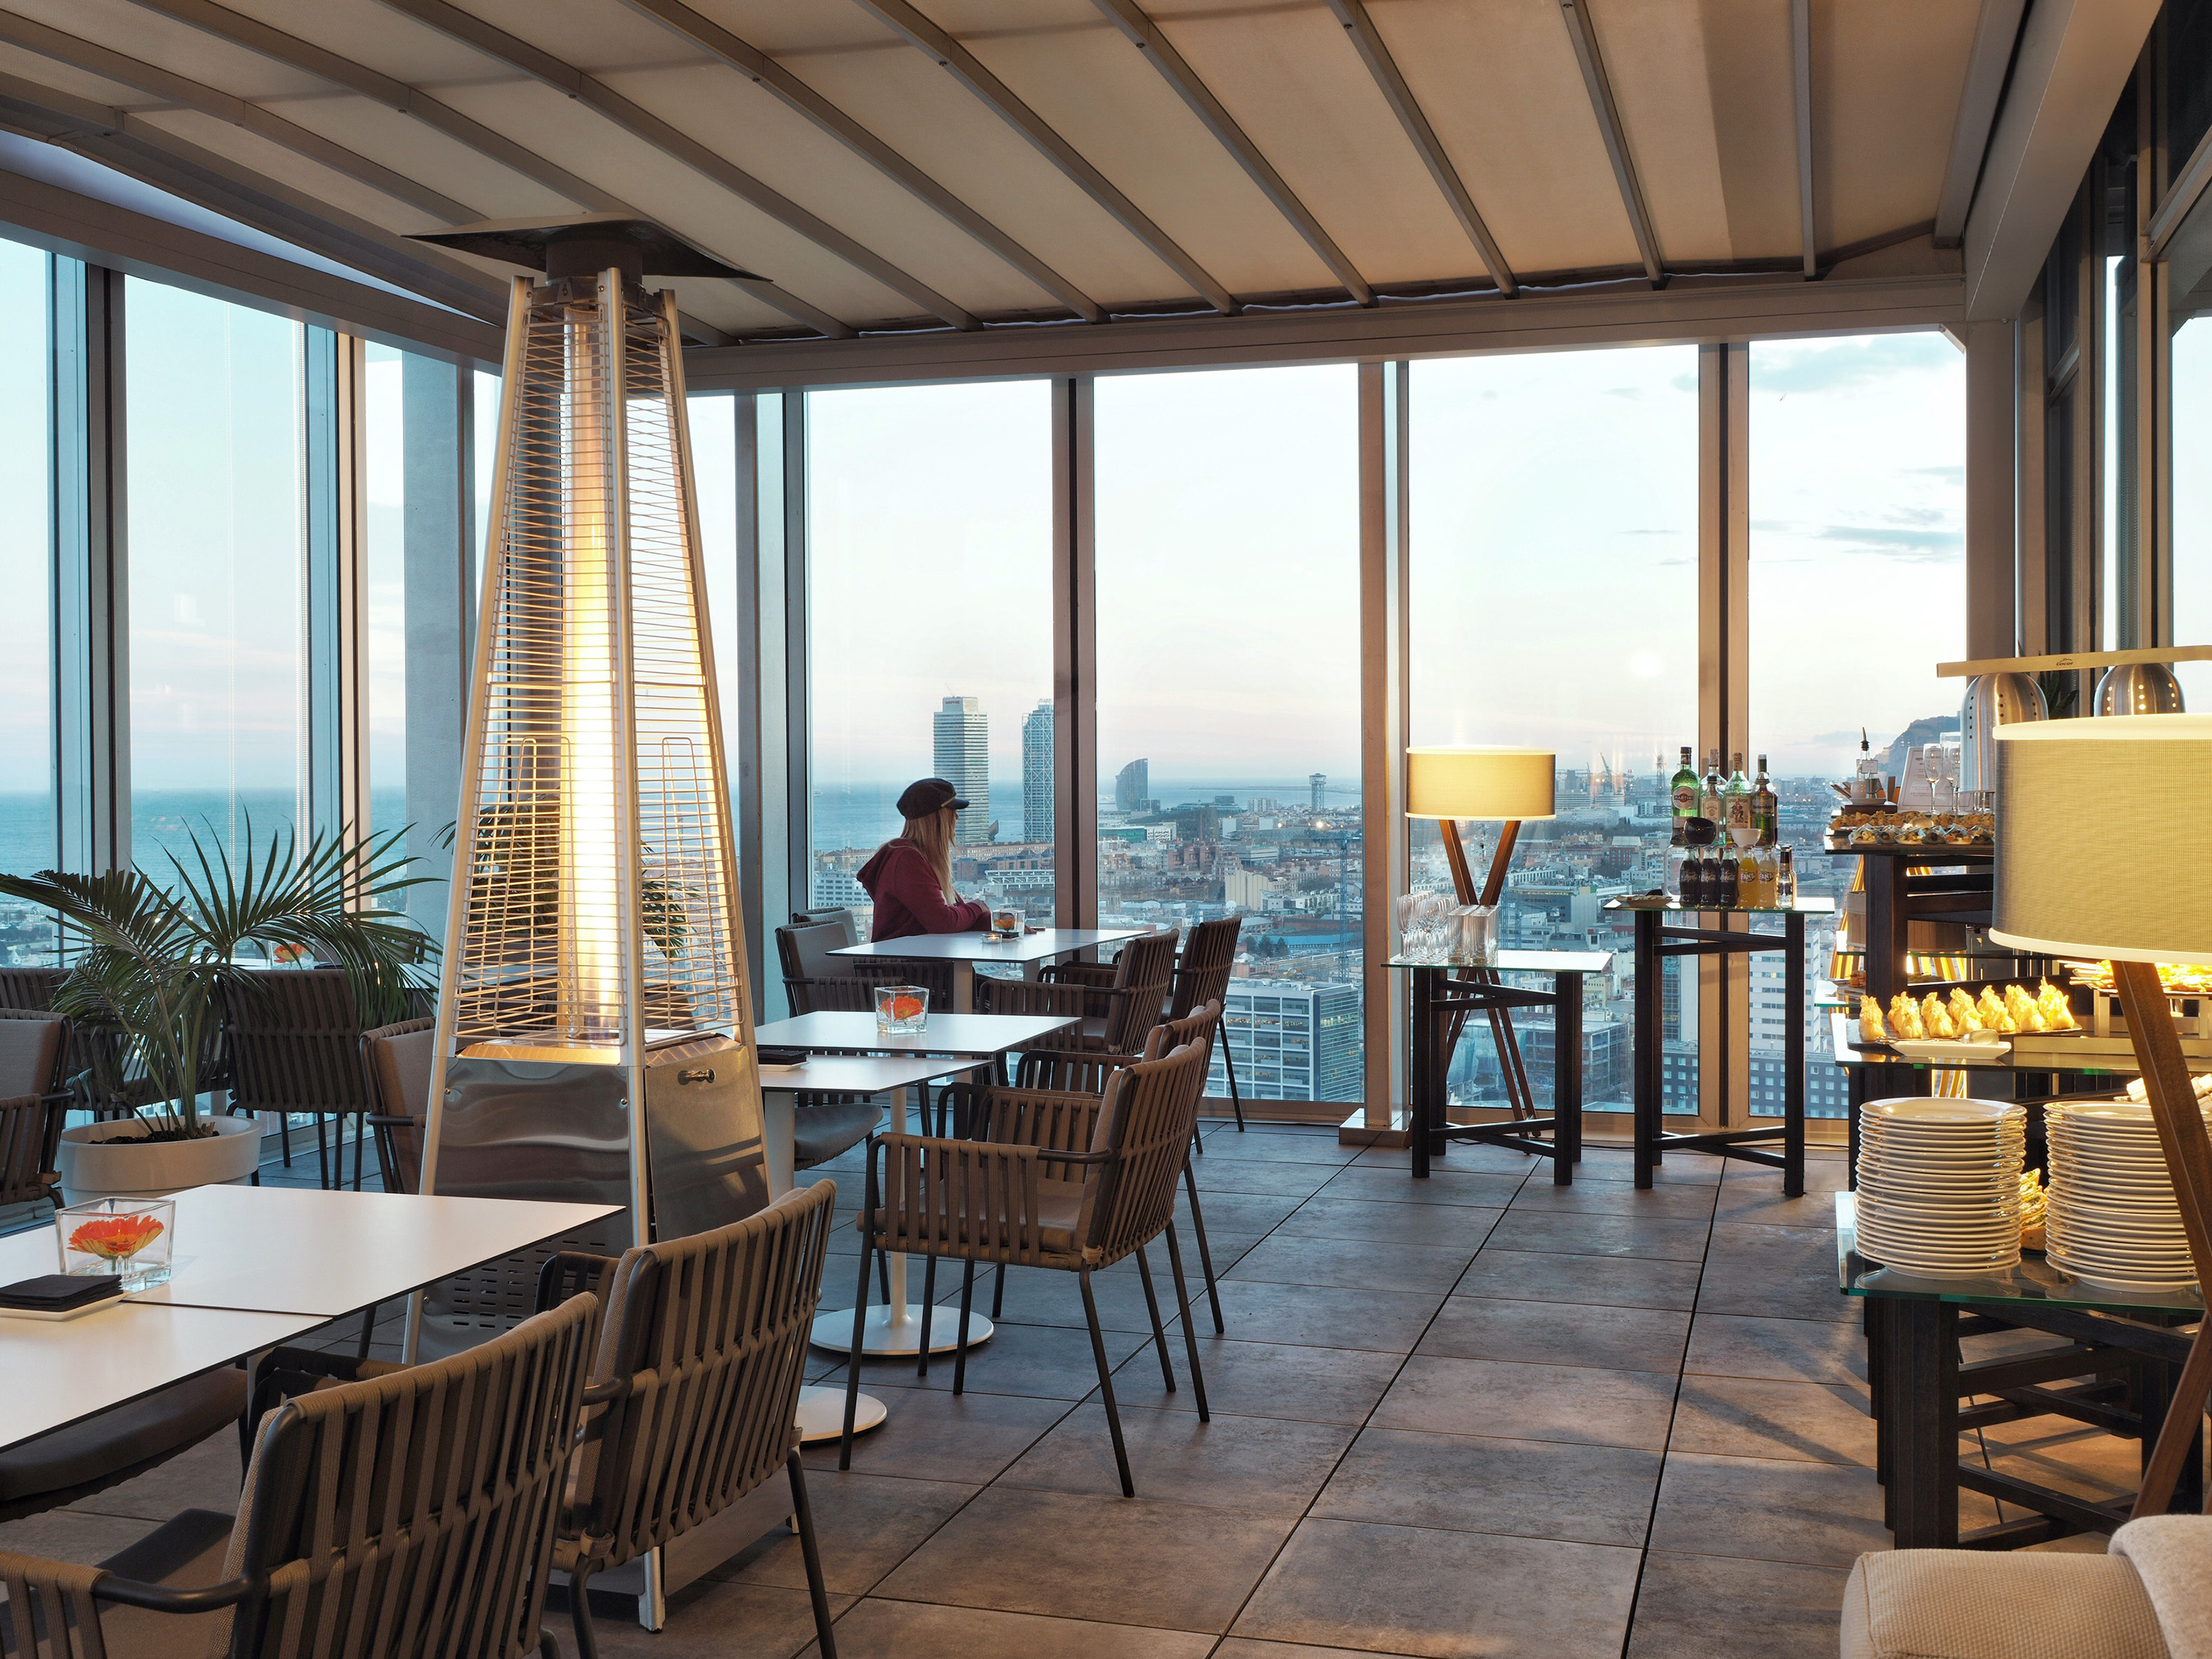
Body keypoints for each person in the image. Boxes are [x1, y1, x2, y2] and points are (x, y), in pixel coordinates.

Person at [856, 778, 992, 941]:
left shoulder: (921, 858)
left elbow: (956, 912)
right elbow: (943, 922)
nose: (956, 817)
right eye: (952, 811)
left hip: (920, 960)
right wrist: (977, 907)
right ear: (937, 819)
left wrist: (998, 923)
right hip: (902, 964)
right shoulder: (907, 860)